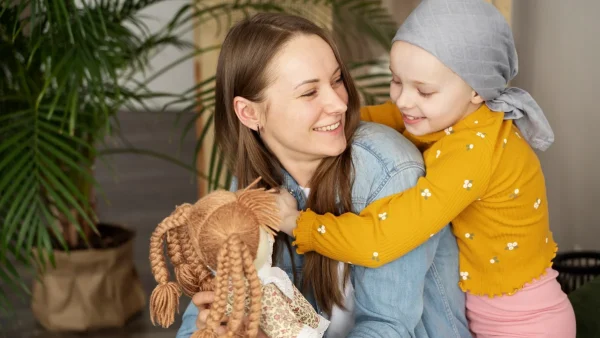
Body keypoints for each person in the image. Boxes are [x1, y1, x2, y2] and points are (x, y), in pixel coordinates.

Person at [279, 0, 576, 336]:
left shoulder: (473, 152)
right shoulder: (443, 113)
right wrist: (315, 124)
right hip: (489, 312)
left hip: (525, 325)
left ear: (477, 90)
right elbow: (372, 117)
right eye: (396, 81)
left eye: (423, 89)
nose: (404, 100)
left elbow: (382, 239)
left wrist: (297, 224)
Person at [176, 12, 470, 338]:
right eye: (309, 92)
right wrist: (212, 328)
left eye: (336, 80)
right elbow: (205, 306)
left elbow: (389, 329)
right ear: (249, 113)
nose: (339, 104)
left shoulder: (391, 171)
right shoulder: (251, 182)